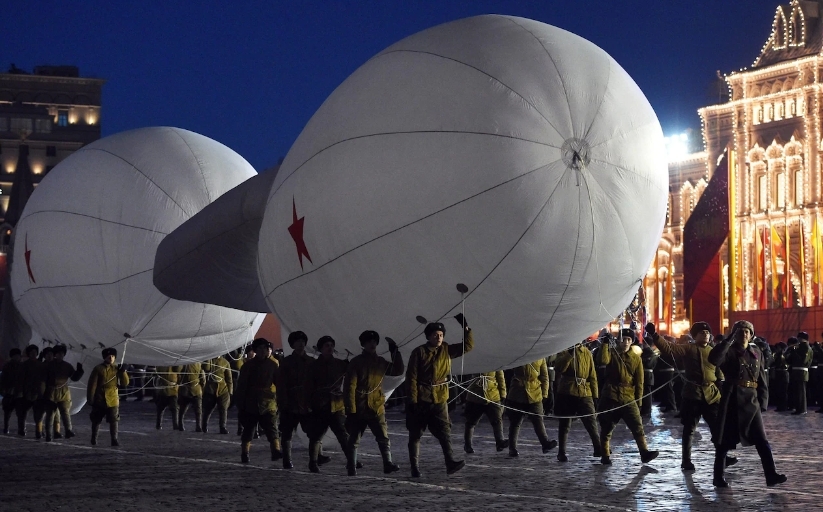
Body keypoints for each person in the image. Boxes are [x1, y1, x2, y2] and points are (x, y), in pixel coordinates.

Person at [708, 320, 786, 487]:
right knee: (724, 441)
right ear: (734, 333)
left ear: (751, 334)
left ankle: (771, 475)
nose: (744, 334)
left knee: (762, 440)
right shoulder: (728, 350)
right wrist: (728, 340)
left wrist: (763, 401)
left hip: (751, 400)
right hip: (732, 399)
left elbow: (761, 378)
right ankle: (718, 476)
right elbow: (714, 359)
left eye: (747, 331)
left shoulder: (756, 351)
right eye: (740, 331)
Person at [650, 322, 735, 472]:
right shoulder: (688, 348)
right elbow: (670, 349)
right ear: (694, 336)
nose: (705, 335)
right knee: (689, 429)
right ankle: (686, 460)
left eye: (707, 332)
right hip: (692, 395)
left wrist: (721, 383)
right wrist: (655, 335)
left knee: (717, 429)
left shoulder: (714, 351)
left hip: (712, 395)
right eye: (701, 333)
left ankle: (723, 457)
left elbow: (718, 369)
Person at [406, 316, 474, 476]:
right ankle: (414, 467)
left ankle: (450, 462)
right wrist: (413, 401)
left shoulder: (446, 349)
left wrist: (466, 328)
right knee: (415, 433)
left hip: (440, 398)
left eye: (441, 335)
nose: (439, 338)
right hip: (422, 398)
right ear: (429, 336)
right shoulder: (419, 352)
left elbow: (468, 346)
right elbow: (412, 378)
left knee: (444, 431)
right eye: (436, 335)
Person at [345, 330, 404, 476]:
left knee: (383, 437)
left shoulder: (381, 362)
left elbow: (398, 370)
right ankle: (351, 466)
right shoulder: (356, 362)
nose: (372, 344)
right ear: (363, 344)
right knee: (354, 438)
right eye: (368, 342)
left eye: (374, 342)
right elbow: (350, 386)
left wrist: (394, 351)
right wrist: (350, 408)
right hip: (359, 407)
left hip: (376, 406)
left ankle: (387, 463)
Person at [597, 328, 659, 465]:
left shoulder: (636, 359)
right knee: (607, 426)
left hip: (629, 397)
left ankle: (644, 452)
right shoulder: (612, 354)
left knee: (637, 426)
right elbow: (603, 360)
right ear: (618, 340)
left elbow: (639, 381)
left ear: (632, 342)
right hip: (611, 395)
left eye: (629, 340)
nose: (626, 342)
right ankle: (605, 454)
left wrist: (639, 401)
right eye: (623, 339)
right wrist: (605, 344)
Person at [234, 338, 281, 463]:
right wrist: (241, 405)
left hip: (268, 402)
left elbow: (279, 383)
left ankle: (276, 451)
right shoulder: (248, 366)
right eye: (259, 349)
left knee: (272, 428)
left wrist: (280, 399)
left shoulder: (273, 365)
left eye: (265, 349)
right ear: (255, 350)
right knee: (249, 430)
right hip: (251, 402)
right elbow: (242, 386)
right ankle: (245, 453)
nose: (262, 351)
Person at [306, 335, 349, 472]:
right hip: (320, 406)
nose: (330, 348)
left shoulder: (340, 364)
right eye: (326, 346)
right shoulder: (313, 366)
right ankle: (313, 462)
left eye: (331, 345)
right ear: (321, 349)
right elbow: (308, 386)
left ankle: (352, 460)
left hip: (336, 405)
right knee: (316, 436)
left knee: (343, 435)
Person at [553, 341, 601, 462]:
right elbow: (559, 368)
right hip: (567, 391)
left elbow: (592, 376)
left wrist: (595, 396)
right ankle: (561, 452)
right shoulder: (563, 350)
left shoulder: (587, 353)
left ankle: (598, 447)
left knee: (591, 421)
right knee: (565, 423)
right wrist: (569, 354)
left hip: (585, 391)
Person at [506, 356, 559, 458]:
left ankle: (545, 443)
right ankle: (512, 448)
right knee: (515, 422)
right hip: (518, 392)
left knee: (538, 419)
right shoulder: (520, 354)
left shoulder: (540, 356)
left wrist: (544, 394)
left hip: (535, 392)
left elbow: (544, 376)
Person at [278, 331, 313, 469]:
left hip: (306, 402)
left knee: (312, 433)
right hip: (290, 402)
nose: (300, 344)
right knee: (287, 433)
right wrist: (283, 403)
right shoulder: (286, 362)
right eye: (297, 341)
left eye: (302, 341)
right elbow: (281, 384)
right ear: (292, 345)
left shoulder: (311, 362)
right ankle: (287, 459)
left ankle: (315, 459)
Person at [86, 347, 129, 446]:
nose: (111, 358)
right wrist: (90, 398)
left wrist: (123, 372)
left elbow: (125, 383)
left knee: (114, 420)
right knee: (96, 420)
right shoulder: (98, 369)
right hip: (100, 398)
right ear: (104, 357)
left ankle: (114, 439)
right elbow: (92, 384)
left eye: (113, 356)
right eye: (109, 356)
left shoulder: (117, 368)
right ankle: (94, 438)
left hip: (113, 398)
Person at [43, 345, 84, 441]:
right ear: (55, 354)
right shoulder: (48, 365)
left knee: (65, 412)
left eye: (61, 354)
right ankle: (49, 434)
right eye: (58, 353)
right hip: (50, 392)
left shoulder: (67, 366)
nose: (60, 355)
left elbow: (74, 378)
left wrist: (79, 371)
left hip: (64, 392)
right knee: (50, 414)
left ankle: (68, 430)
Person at [463, 369, 508, 454]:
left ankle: (500, 442)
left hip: (493, 395)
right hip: (475, 396)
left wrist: (503, 394)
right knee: (471, 422)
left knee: (497, 420)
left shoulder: (495, 361)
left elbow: (500, 377)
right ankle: (467, 445)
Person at [15, 345, 45, 438]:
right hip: (26, 392)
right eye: (31, 353)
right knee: (22, 413)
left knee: (39, 415)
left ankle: (39, 431)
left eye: (35, 352)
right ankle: (21, 429)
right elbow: (20, 379)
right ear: (29, 354)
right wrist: (20, 392)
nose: (33, 354)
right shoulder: (24, 365)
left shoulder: (40, 364)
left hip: (38, 392)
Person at [202, 354, 233, 434]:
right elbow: (206, 368)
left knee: (223, 409)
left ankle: (223, 427)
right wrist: (208, 357)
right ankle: (204, 425)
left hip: (223, 389)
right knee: (208, 409)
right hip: (210, 389)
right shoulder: (209, 360)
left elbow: (229, 378)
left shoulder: (225, 362)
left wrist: (230, 392)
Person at [786, 331, 813, 415]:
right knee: (800, 391)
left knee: (800, 392)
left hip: (800, 371)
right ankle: (801, 408)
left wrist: (793, 352)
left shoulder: (803, 347)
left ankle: (801, 409)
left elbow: (802, 359)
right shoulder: (806, 347)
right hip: (800, 371)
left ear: (801, 338)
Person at [177, 361, 205, 431]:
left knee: (186, 409)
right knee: (193, 410)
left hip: (192, 390)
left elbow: (202, 377)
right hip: (190, 390)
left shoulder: (197, 363)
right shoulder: (197, 363)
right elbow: (203, 379)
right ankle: (197, 426)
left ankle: (183, 425)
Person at [1, 348, 22, 435]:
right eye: (15, 356)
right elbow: (3, 379)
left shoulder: (21, 366)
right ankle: (6, 427)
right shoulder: (7, 366)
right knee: (8, 412)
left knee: (19, 412)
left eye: (18, 356)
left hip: (17, 392)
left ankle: (20, 428)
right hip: (10, 391)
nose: (17, 357)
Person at [153, 366, 181, 430]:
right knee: (160, 409)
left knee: (174, 409)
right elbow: (155, 375)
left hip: (173, 390)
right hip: (163, 390)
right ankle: (158, 425)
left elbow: (179, 376)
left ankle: (175, 425)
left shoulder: (176, 367)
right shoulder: (160, 366)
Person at [771, 341, 790, 412]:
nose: (777, 349)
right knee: (780, 391)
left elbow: (780, 364)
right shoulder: (779, 355)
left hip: (783, 373)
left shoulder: (782, 355)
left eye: (778, 348)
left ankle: (783, 407)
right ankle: (780, 406)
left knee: (783, 391)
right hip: (780, 373)